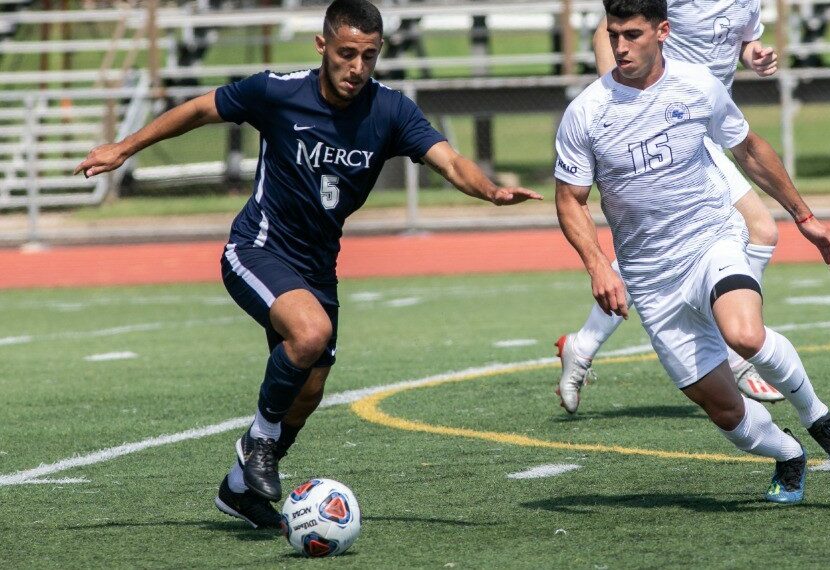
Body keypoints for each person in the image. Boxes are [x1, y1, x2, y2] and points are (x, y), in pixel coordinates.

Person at [75, 0, 541, 529]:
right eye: (346, 54)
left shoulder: (390, 111)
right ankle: (258, 444)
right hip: (257, 249)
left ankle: (238, 492)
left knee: (310, 389)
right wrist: (124, 147)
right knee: (310, 332)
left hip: (318, 268)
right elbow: (202, 109)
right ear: (322, 47)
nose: (357, 68)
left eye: (369, 56)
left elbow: (449, 159)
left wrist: (491, 191)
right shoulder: (278, 90)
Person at [554, 0, 830, 503]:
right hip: (651, 276)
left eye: (631, 35)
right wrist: (597, 264)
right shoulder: (587, 112)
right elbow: (569, 199)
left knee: (744, 334)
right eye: (614, 35)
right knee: (726, 413)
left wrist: (805, 217)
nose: (619, 46)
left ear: (663, 32)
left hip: (710, 240)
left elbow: (749, 150)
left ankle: (819, 418)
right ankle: (788, 454)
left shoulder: (699, 86)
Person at [556, 0, 788, 412]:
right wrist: (619, 99)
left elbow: (744, 39)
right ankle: (738, 354)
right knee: (761, 230)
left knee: (658, 247)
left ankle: (584, 345)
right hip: (677, 128)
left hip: (706, 123)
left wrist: (755, 53)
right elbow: (607, 30)